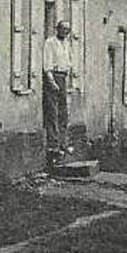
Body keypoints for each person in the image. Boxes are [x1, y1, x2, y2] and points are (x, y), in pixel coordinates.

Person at [42, 20, 76, 158]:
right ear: (57, 29)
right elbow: (47, 63)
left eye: (68, 30)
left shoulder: (67, 44)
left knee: (63, 113)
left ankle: (63, 143)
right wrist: (51, 81)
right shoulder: (50, 42)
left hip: (63, 77)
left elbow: (69, 62)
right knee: (52, 112)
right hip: (53, 77)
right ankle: (53, 144)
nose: (65, 32)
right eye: (63, 29)